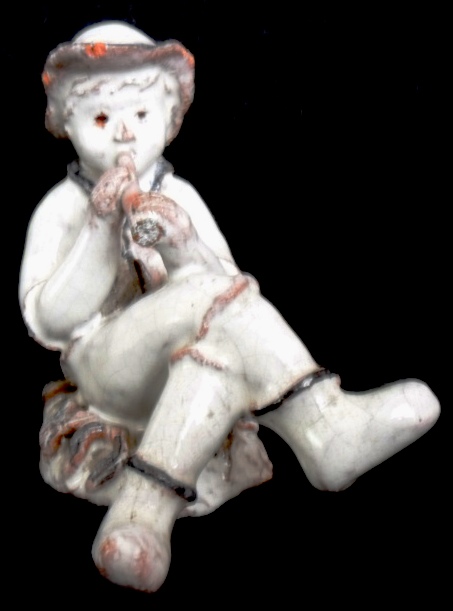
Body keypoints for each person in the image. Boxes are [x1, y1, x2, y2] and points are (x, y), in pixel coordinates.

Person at [19, 21, 440, 592]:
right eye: (99, 119)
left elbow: (231, 302)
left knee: (214, 357)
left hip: (170, 366)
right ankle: (324, 423)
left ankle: (140, 522)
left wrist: (183, 243)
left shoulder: (178, 195)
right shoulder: (63, 206)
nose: (124, 133)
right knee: (210, 297)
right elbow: (51, 321)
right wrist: (99, 226)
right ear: (65, 123)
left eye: (141, 114)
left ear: (170, 119)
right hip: (105, 371)